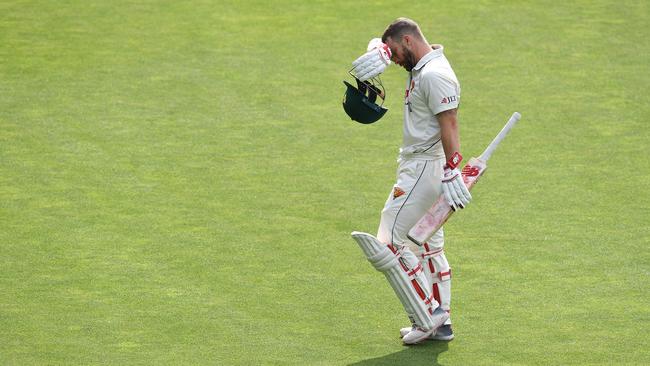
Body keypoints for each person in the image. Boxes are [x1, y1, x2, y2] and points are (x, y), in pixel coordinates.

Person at [352, 17, 472, 343]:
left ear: (407, 41)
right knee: (430, 246)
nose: (394, 60)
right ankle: (441, 322)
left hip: (424, 169)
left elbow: (449, 123)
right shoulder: (422, 67)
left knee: (388, 240)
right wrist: (378, 50)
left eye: (394, 52)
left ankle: (428, 313)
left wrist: (452, 169)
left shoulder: (435, 75)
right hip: (421, 166)